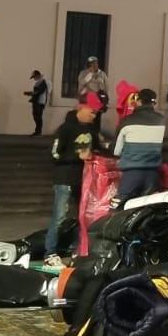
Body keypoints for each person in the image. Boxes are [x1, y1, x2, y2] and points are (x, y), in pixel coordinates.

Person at [48, 93, 105, 262]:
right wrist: (76, 156)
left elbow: (97, 149)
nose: (94, 116)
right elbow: (54, 155)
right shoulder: (65, 129)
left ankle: (78, 249)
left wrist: (94, 153)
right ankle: (50, 252)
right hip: (64, 180)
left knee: (83, 217)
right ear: (81, 107)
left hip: (85, 180)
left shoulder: (92, 130)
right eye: (92, 112)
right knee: (59, 217)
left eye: (96, 113)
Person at [114, 89, 165, 203]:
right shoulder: (162, 120)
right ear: (153, 103)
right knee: (149, 209)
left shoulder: (127, 121)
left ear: (138, 101)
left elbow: (116, 150)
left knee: (122, 207)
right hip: (153, 174)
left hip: (131, 174)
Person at [26, 71, 49, 136]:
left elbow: (40, 92)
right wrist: (31, 93)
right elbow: (37, 92)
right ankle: (37, 131)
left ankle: (38, 131)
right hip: (36, 101)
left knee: (38, 116)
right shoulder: (38, 82)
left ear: (38, 75)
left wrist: (31, 93)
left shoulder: (43, 82)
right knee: (36, 116)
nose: (34, 78)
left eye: (34, 77)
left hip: (40, 102)